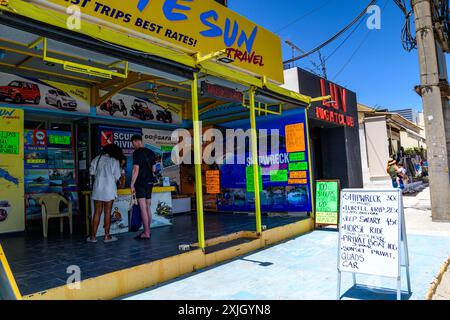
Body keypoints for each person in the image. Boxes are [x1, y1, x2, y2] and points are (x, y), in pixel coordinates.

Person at [87, 144, 124, 243]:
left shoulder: (97, 159)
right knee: (108, 212)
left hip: (98, 188)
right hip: (109, 189)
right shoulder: (114, 160)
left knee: (97, 212)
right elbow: (117, 175)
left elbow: (91, 172)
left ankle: (93, 237)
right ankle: (107, 236)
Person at [130, 135, 156, 240]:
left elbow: (136, 170)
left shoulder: (136, 153)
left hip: (140, 183)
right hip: (150, 182)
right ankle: (148, 231)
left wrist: (132, 184)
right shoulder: (151, 152)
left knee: (142, 208)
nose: (133, 146)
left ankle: (146, 233)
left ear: (136, 141)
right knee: (148, 206)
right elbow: (154, 169)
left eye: (133, 143)